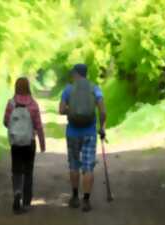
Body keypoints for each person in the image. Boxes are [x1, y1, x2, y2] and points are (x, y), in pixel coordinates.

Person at [59, 64, 106, 212]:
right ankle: (86, 200)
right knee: (88, 167)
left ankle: (74, 198)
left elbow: (61, 110)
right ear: (86, 74)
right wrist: (102, 127)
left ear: (75, 74)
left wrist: (72, 110)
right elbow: (102, 111)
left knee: (74, 165)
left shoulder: (68, 89)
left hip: (72, 133)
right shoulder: (95, 88)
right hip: (89, 133)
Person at [4, 77, 46, 214]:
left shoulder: (11, 104)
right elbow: (38, 126)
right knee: (28, 171)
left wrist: (14, 128)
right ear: (28, 87)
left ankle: (17, 192)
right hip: (29, 142)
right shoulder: (33, 104)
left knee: (16, 169)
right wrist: (42, 144)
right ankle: (27, 201)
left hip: (16, 142)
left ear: (16, 87)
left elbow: (5, 122)